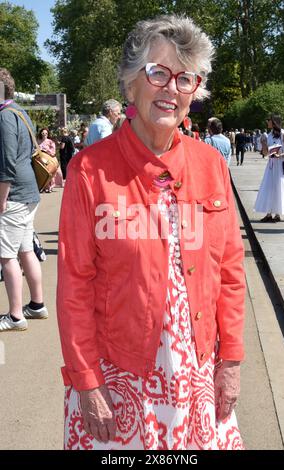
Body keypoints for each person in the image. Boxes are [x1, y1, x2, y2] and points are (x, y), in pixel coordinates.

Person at [57, 15, 246, 450]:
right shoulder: (89, 171)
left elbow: (231, 273)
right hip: (117, 375)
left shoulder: (211, 165)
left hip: (198, 371)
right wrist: (87, 382)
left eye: (185, 79)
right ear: (129, 84)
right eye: (158, 73)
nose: (171, 90)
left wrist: (231, 360)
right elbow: (74, 287)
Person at [0, 68, 48, 332]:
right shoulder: (19, 111)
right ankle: (36, 304)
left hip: (14, 194)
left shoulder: (4, 117)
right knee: (25, 249)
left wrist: (1, 199)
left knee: (6, 256)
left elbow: (6, 162)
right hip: (29, 191)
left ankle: (15, 315)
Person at [254, 114, 284, 222]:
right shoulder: (268, 135)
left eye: (268, 120)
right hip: (271, 164)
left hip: (281, 164)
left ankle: (277, 214)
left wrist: (281, 154)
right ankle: (269, 213)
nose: (267, 122)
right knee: (269, 187)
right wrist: (263, 143)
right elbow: (265, 153)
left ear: (274, 122)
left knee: (280, 187)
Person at [37, 127, 56, 193]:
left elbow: (53, 152)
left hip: (48, 159)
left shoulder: (50, 142)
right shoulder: (38, 141)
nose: (44, 134)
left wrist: (46, 150)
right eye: (43, 133)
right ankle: (41, 186)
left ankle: (49, 187)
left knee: (48, 172)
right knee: (40, 173)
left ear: (48, 134)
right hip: (39, 159)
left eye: (46, 133)